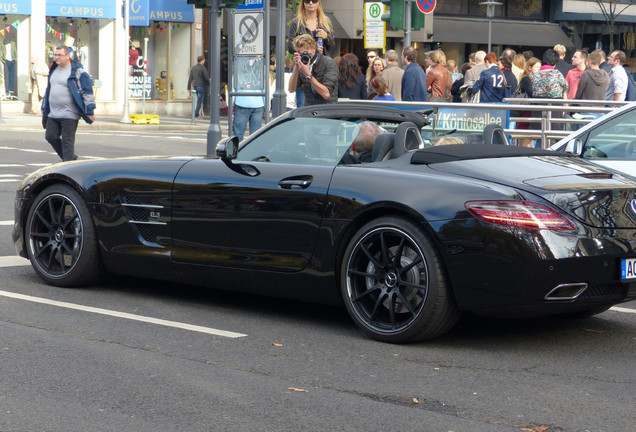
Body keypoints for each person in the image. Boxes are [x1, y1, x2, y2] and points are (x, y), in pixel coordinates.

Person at [42, 45, 95, 162]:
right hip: (53, 113)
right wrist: (44, 106)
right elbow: (48, 90)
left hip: (70, 114)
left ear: (67, 56)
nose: (56, 57)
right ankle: (70, 159)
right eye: (55, 55)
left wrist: (89, 110)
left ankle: (68, 166)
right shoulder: (54, 69)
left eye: (59, 55)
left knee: (67, 142)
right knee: (50, 136)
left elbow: (87, 91)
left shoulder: (77, 71)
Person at [288, 34, 338, 105]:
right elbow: (291, 89)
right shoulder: (300, 64)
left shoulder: (328, 63)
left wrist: (308, 74)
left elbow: (326, 94)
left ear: (314, 49)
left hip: (327, 110)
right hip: (309, 110)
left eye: (305, 52)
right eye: (299, 53)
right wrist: (296, 68)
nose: (303, 55)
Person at [517, 57, 541, 147]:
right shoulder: (526, 79)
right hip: (526, 111)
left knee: (528, 137)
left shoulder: (538, 80)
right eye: (537, 67)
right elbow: (531, 93)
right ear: (530, 68)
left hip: (532, 111)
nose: (539, 69)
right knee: (525, 136)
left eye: (540, 67)